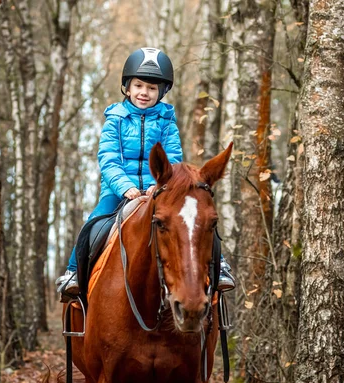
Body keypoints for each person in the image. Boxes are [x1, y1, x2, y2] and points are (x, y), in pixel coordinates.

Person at [56, 47, 235, 296]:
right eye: (139, 85)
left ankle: (220, 266)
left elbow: (172, 158)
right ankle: (74, 272)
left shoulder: (166, 120)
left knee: (196, 222)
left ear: (161, 92)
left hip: (158, 189)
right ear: (127, 88)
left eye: (152, 88)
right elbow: (108, 159)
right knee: (93, 223)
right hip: (119, 191)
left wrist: (159, 185)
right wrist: (125, 187)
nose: (144, 92)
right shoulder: (115, 118)